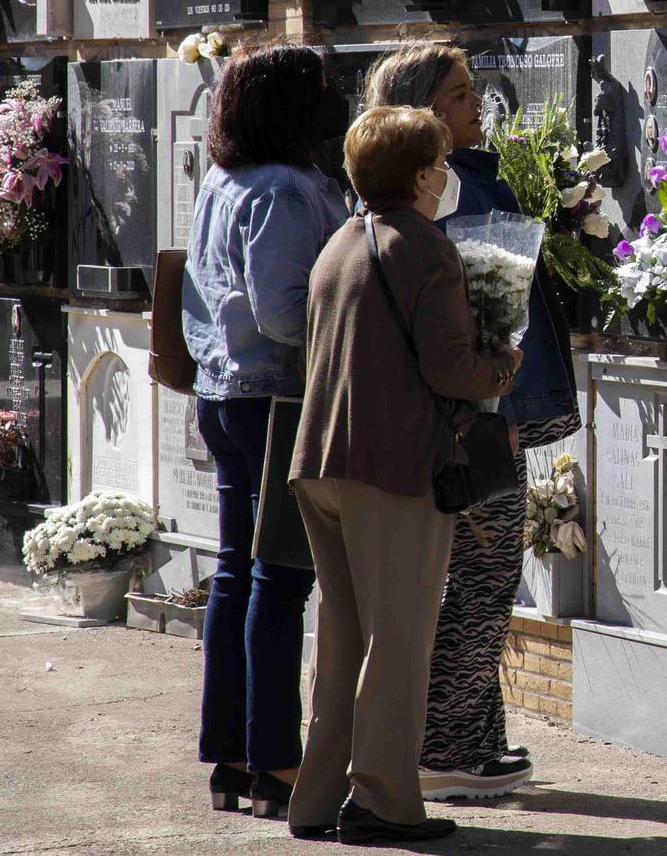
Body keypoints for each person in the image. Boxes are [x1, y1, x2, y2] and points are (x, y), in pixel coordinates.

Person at [286, 106, 522, 845]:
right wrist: (504, 365)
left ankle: (318, 797)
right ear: (421, 175)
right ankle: (385, 800)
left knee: (344, 632)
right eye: (441, 162)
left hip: (322, 461)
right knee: (400, 637)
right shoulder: (424, 247)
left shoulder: (340, 242)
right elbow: (450, 366)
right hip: (391, 466)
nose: (448, 174)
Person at [366, 44, 579, 800]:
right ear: (424, 110)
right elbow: (469, 315)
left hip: (485, 409)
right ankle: (447, 746)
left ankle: (473, 736)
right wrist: (504, 412)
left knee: (481, 578)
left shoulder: (464, 176)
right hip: (471, 416)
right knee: (481, 579)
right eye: (460, 96)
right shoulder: (427, 196)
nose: (476, 106)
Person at [182, 44, 350, 820]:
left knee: (235, 573)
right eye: (318, 91)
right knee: (278, 578)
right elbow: (285, 310)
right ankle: (276, 760)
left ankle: (233, 752)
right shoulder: (283, 189)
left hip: (222, 390)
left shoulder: (223, 178)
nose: (333, 101)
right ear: (290, 107)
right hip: (272, 399)